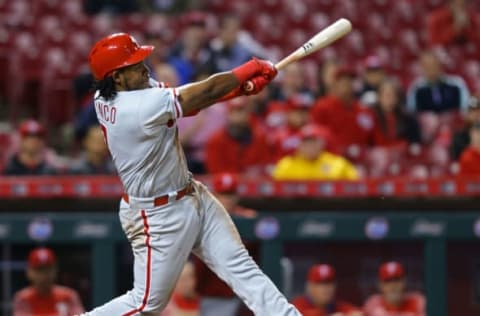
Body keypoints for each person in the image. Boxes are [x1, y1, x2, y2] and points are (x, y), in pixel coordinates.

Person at [84, 33, 300, 315]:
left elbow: (192, 103)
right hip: (158, 216)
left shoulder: (112, 93)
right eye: (134, 64)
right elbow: (199, 94)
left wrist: (241, 89)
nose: (144, 67)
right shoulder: (134, 108)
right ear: (117, 78)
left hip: (190, 194)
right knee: (146, 304)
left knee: (241, 267)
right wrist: (249, 69)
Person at [195, 173, 257, 316]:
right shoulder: (201, 217)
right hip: (215, 293)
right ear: (213, 195)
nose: (227, 200)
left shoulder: (248, 218)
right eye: (222, 194)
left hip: (246, 292)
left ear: (237, 196)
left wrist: (253, 225)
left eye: (230, 195)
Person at [311, 67, 375, 154]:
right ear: (335, 84)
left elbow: (371, 136)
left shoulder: (363, 110)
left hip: (359, 158)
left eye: (350, 81)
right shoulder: (322, 106)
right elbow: (316, 135)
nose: (348, 85)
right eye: (343, 82)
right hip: (332, 159)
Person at [205, 98, 273, 174]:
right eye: (234, 111)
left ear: (248, 113)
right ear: (228, 114)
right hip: (226, 184)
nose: (238, 116)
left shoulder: (260, 137)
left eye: (241, 111)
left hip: (254, 183)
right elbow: (214, 170)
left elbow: (265, 165)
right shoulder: (215, 140)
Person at [13, 247, 84, 316]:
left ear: (55, 270)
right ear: (29, 272)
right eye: (39, 270)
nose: (44, 275)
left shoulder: (68, 296)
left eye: (48, 269)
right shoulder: (23, 298)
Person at [272, 124, 359, 181]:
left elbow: (357, 184)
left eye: (313, 142)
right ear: (299, 145)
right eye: (306, 142)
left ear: (322, 144)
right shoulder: (286, 165)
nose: (310, 146)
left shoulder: (338, 163)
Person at [292, 264, 362, 316]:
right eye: (320, 284)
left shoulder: (336, 305)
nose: (326, 288)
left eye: (329, 283)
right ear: (310, 287)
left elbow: (357, 312)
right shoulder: (298, 305)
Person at [168, 12, 214, 85]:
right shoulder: (173, 54)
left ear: (205, 32)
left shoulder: (214, 54)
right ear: (185, 31)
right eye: (192, 29)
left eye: (200, 29)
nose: (196, 33)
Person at [372, 79, 421, 147]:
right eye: (387, 95)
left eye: (393, 95)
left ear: (398, 98)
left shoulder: (408, 119)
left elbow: (415, 143)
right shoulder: (371, 118)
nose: (390, 99)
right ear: (379, 97)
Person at [271, 94, 314, 160]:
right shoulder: (278, 136)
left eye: (304, 111)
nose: (302, 115)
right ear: (288, 113)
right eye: (297, 112)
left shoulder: (315, 133)